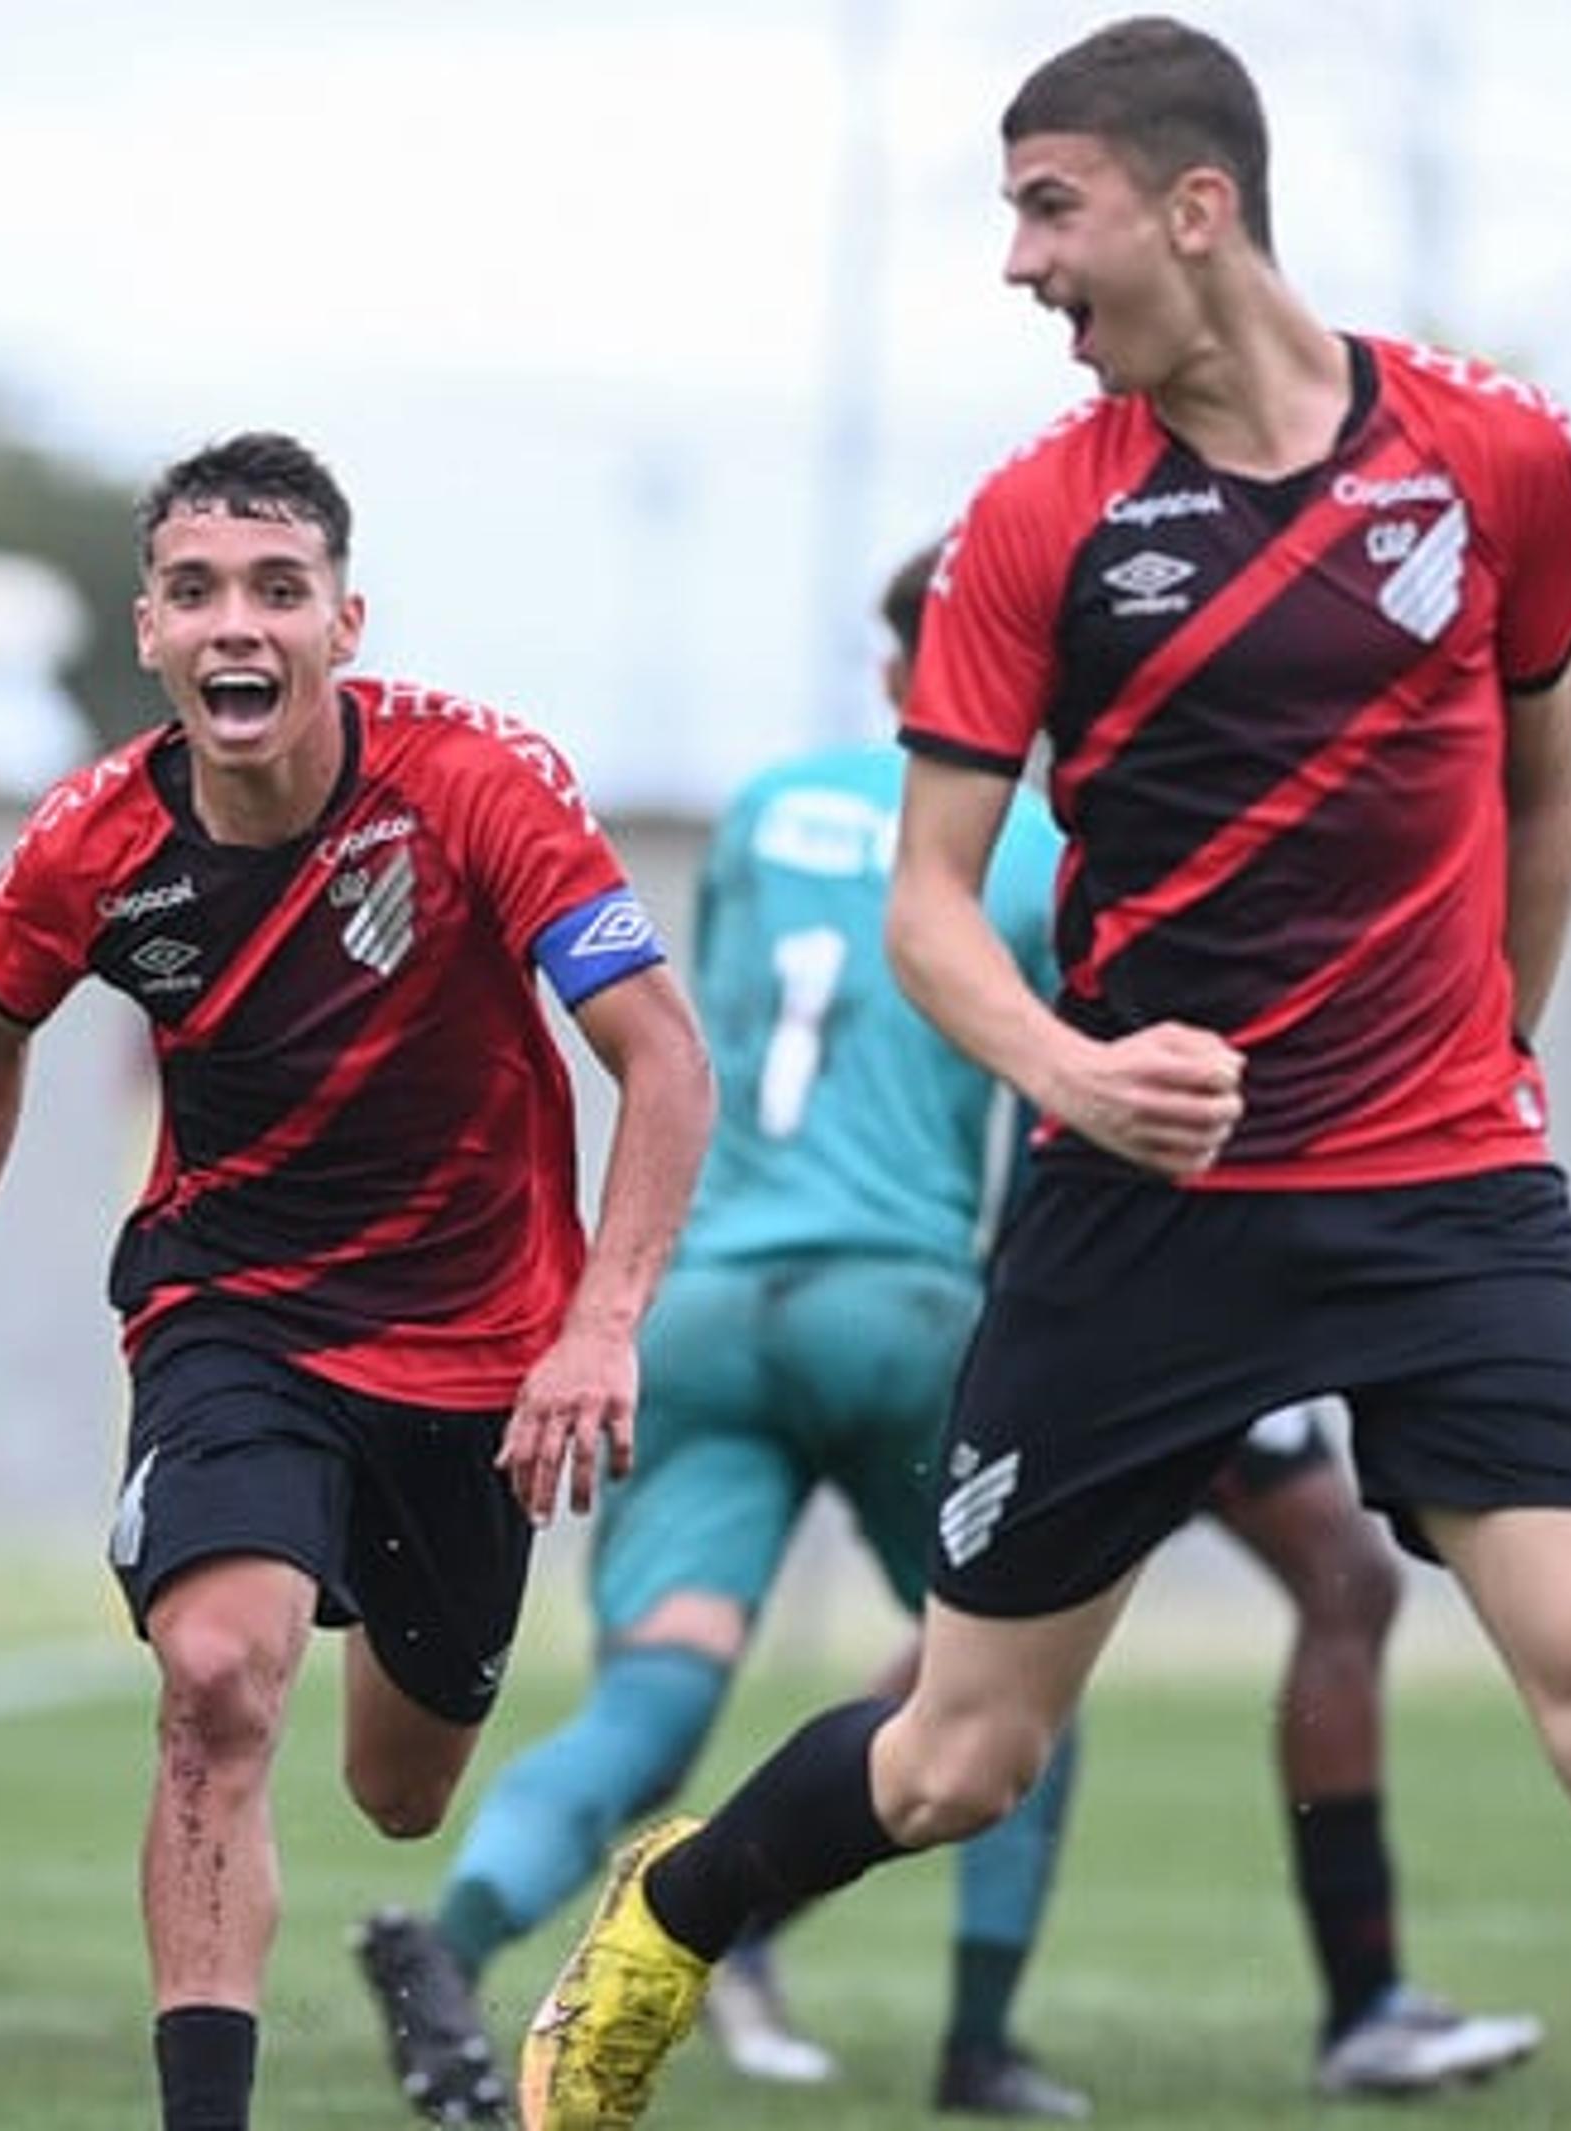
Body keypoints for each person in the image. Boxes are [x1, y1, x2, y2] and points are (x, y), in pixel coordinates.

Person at [515, 21, 1571, 2131]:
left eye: (1050, 208)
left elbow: (1550, 799)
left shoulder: (1497, 461)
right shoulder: (1036, 524)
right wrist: (1073, 1073)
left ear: (1196, 207)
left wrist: (1493, 1056)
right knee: (956, 1756)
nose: (1020, 266)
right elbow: (939, 904)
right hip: (1142, 1218)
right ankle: (671, 1915)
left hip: (1446, 1199)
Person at [0, 430, 715, 2131]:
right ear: (152, 632)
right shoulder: (91, 843)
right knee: (218, 1677)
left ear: (343, 622)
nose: (236, 623)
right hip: (231, 1311)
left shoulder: (478, 783)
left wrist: (599, 1327)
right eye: (196, 593)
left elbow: (662, 1057)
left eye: (277, 591)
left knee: (400, 1792)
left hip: (477, 1352)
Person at [699, 688, 1571, 2109]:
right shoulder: (1339, 870)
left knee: (1059, 1668)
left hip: (1244, 1279)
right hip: (1151, 1287)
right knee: (979, 1714)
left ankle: (1352, 2002)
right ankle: (721, 1915)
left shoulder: (1421, 901)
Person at [350, 542, 1093, 2127]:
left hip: (712, 1311)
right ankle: (979, 2046)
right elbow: (1047, 1114)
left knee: (657, 1697)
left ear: (896, 671)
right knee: (1013, 1684)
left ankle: (454, 1937)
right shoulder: (1042, 847)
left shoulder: (760, 807)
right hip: (901, 1312)